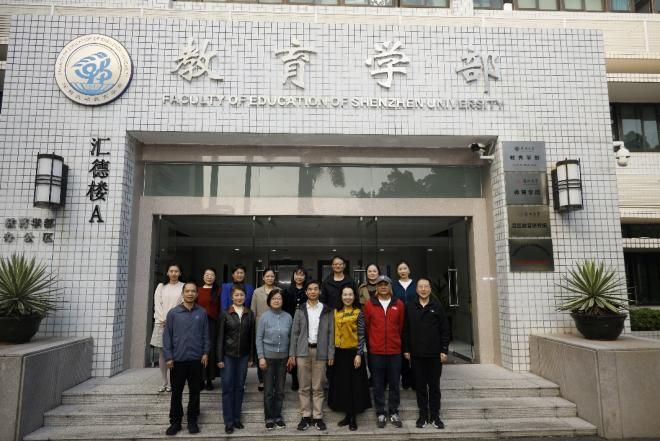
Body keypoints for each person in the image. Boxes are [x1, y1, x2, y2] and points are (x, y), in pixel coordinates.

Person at [403, 277, 450, 430]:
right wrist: (406, 349)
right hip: (417, 355)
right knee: (421, 387)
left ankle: (435, 416)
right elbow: (406, 330)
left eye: (426, 286)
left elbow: (445, 330)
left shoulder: (437, 306)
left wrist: (444, 350)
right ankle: (423, 416)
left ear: (430, 289)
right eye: (420, 287)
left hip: (435, 355)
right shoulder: (410, 306)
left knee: (434, 387)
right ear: (416, 289)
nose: (423, 289)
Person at [163, 282, 210, 436]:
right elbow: (167, 336)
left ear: (197, 294)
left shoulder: (202, 312)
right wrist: (168, 357)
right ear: (182, 293)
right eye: (187, 291)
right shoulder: (173, 313)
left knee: (195, 392)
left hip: (196, 359)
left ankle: (192, 421)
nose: (190, 294)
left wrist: (206, 352)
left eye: (193, 291)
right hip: (178, 360)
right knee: (176, 393)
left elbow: (206, 335)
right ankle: (175, 422)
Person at [288, 280, 335, 432]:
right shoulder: (300, 309)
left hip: (320, 352)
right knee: (303, 386)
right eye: (310, 289)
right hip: (303, 351)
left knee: (318, 386)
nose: (313, 291)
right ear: (306, 292)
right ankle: (305, 416)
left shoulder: (327, 310)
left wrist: (330, 353)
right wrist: (292, 354)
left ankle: (318, 417)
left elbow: (331, 334)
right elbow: (294, 333)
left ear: (319, 291)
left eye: (316, 289)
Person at [363, 275, 405, 429]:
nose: (383, 287)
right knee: (378, 384)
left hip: (394, 351)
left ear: (390, 286)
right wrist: (374, 343)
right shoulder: (369, 304)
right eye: (380, 284)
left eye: (385, 284)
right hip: (376, 351)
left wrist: (395, 341)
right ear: (376, 287)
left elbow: (400, 326)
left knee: (394, 383)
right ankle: (380, 412)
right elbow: (367, 327)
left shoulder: (399, 304)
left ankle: (393, 412)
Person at [327, 286, 371, 431]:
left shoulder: (358, 312)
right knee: (343, 385)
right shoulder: (335, 312)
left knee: (354, 385)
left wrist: (359, 354)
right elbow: (331, 333)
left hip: (353, 353)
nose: (347, 297)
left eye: (350, 294)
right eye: (345, 294)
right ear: (341, 296)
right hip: (339, 353)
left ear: (354, 296)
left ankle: (352, 417)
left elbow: (361, 334)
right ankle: (346, 414)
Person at [217, 284, 256, 434]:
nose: (239, 298)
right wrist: (219, 358)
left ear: (245, 297)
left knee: (239, 387)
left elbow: (251, 337)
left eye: (242, 295)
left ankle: (236, 418)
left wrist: (251, 356)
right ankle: (228, 421)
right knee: (228, 388)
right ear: (231, 297)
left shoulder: (249, 313)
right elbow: (220, 338)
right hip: (228, 356)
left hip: (243, 356)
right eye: (236, 295)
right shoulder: (225, 314)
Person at [256, 288, 293, 430]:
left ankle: (278, 416)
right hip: (268, 358)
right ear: (269, 301)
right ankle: (269, 417)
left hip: (283, 358)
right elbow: (259, 338)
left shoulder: (288, 317)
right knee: (268, 391)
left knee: (280, 390)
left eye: (279, 298)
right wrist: (261, 357)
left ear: (282, 301)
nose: (277, 301)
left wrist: (291, 355)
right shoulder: (264, 317)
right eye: (274, 298)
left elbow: (291, 338)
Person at [150, 262, 184, 393]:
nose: (174, 273)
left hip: (177, 323)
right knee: (162, 353)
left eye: (176, 271)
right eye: (171, 271)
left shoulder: (183, 286)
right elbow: (157, 304)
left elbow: (182, 305)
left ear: (180, 273)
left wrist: (172, 319)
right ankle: (164, 381)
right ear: (167, 273)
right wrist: (162, 318)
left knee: (174, 353)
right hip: (161, 323)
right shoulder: (161, 287)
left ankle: (171, 382)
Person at [283, 266, 309, 391]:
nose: (299, 277)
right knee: (292, 351)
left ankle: (303, 378)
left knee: (303, 352)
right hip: (290, 323)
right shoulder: (287, 291)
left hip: (305, 325)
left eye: (302, 275)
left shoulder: (308, 290)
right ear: (293, 276)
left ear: (305, 277)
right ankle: (294, 379)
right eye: (297, 274)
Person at [251, 268, 277, 392]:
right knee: (261, 354)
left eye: (272, 276)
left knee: (274, 354)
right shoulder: (257, 292)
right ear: (263, 277)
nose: (270, 278)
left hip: (276, 325)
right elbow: (253, 311)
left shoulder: (279, 291)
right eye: (267, 276)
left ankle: (274, 379)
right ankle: (262, 380)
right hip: (260, 325)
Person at [196, 267, 220, 390]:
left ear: (215, 277)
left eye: (212, 275)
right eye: (207, 274)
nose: (209, 277)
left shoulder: (218, 291)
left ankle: (209, 379)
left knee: (210, 350)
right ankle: (200, 379)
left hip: (213, 324)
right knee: (199, 349)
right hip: (198, 323)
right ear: (203, 276)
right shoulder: (197, 290)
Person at [393, 260, 416, 390]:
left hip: (415, 319)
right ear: (397, 271)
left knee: (415, 348)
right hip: (399, 320)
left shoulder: (416, 284)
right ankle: (405, 378)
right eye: (400, 269)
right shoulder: (394, 286)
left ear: (409, 270)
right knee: (403, 350)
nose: (402, 271)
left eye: (404, 268)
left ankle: (416, 378)